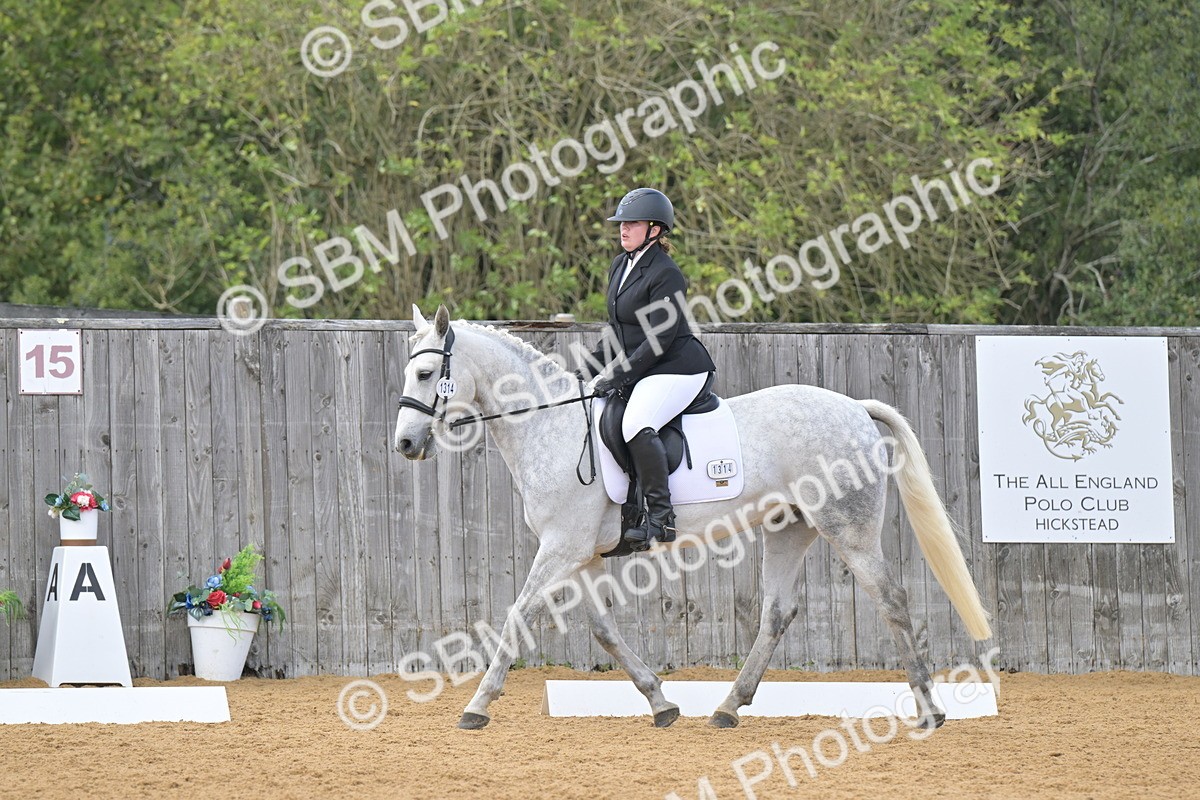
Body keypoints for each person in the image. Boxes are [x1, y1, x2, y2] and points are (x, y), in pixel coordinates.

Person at [576, 187, 716, 551]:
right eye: (621, 223)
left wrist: (618, 377)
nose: (623, 229)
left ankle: (661, 517)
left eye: (632, 223)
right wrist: (588, 369)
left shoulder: (666, 274)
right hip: (647, 365)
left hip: (677, 366)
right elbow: (619, 332)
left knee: (637, 422)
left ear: (655, 229)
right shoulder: (620, 266)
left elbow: (658, 338)